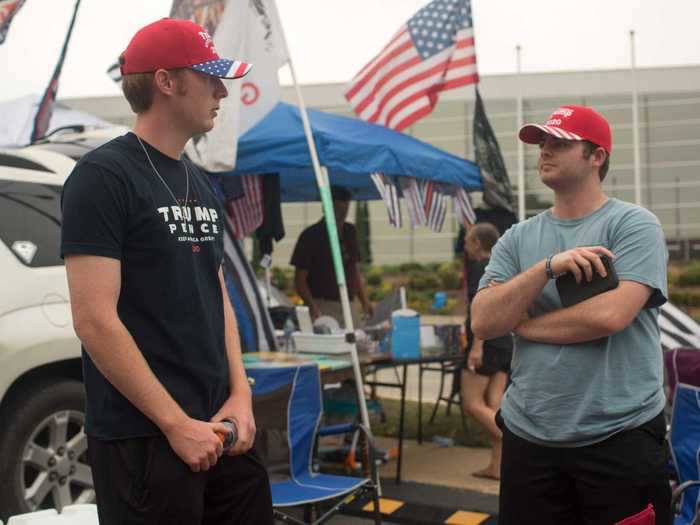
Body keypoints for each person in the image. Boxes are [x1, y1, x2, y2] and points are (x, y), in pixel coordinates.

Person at [61, 18, 272, 525]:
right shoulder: (102, 176)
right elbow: (93, 320)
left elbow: (216, 293)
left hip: (218, 429)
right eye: (210, 78)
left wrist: (240, 396)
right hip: (144, 438)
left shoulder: (198, 183)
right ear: (167, 82)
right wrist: (175, 424)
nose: (222, 91)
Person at [471, 105, 670, 524]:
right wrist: (547, 268)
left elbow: (610, 316)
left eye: (560, 143)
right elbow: (484, 322)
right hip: (530, 438)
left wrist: (524, 324)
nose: (545, 151)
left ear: (596, 157)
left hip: (619, 435)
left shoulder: (633, 224)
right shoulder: (518, 237)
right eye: (542, 143)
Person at [461, 223, 512, 481]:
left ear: (477, 244)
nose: (464, 245)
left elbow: (481, 311)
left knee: (472, 403)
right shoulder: (502, 266)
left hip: (487, 344)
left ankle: (516, 442)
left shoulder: (481, 269)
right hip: (506, 344)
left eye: (468, 241)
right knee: (494, 406)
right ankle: (497, 467)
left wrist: (476, 346)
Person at [290, 185, 373, 327]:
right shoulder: (311, 236)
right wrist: (312, 306)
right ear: (326, 207)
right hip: (323, 305)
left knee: (357, 343)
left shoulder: (350, 231)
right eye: (337, 210)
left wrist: (364, 300)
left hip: (349, 304)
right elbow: (300, 280)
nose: (341, 214)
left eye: (345, 210)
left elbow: (355, 270)